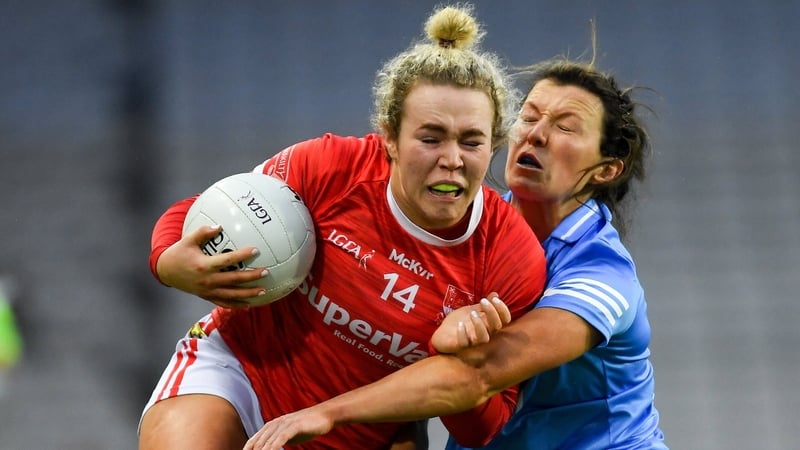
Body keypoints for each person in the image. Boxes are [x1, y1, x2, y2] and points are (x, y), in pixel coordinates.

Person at [138, 4, 548, 450]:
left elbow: (482, 428)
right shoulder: (331, 168)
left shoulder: (511, 258)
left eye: (472, 141)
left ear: (495, 145)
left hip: (359, 434)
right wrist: (167, 261)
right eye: (429, 138)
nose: (451, 159)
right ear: (389, 137)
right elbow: (205, 209)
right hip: (237, 375)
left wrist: (459, 355)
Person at [242, 50, 668, 450]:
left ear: (607, 169)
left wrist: (326, 414)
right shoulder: (468, 229)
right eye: (530, 116)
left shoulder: (601, 275)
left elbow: (480, 371)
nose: (535, 134)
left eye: (565, 127)